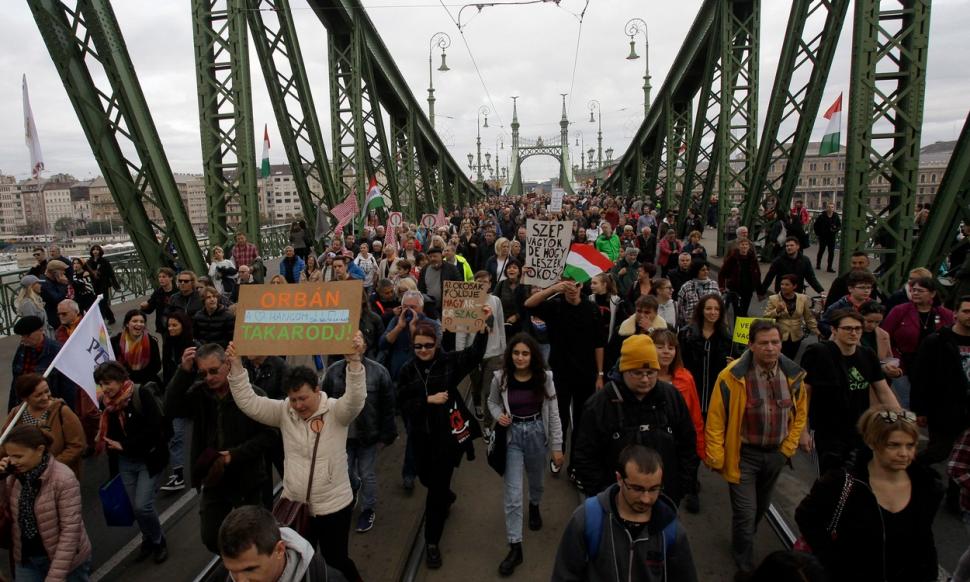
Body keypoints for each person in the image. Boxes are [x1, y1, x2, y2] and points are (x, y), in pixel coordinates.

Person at [226, 335, 366, 581]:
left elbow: (355, 400)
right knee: (299, 562)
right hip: (296, 505)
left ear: (317, 390)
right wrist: (236, 367)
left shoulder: (336, 411)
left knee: (336, 560)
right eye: (293, 399)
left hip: (333, 506)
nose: (298, 405)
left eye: (303, 398)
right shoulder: (284, 412)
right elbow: (249, 403)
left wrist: (354, 362)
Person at [705, 320, 809, 576]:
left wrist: (787, 449)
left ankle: (743, 538)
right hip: (744, 457)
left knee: (759, 509)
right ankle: (744, 560)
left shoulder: (793, 374)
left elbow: (800, 415)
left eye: (775, 342)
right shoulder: (731, 376)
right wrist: (716, 456)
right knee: (745, 512)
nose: (771, 348)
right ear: (751, 345)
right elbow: (716, 419)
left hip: (775, 456)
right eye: (763, 343)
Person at [796, 406, 941, 582]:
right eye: (893, 445)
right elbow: (807, 517)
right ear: (872, 442)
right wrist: (833, 560)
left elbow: (924, 539)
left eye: (910, 445)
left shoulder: (926, 486)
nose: (904, 453)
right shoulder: (841, 482)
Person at [397, 314, 490, 569]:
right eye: (419, 346)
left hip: (446, 437)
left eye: (428, 345)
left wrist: (482, 331)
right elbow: (401, 401)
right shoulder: (407, 370)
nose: (424, 350)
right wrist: (427, 400)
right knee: (427, 479)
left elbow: (472, 356)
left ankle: (431, 542)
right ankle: (447, 496)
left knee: (435, 491)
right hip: (420, 437)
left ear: (437, 344)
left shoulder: (448, 362)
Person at [571, 335, 698, 504]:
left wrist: (679, 489)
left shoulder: (671, 397)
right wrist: (603, 497)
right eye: (637, 373)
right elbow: (585, 456)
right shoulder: (599, 405)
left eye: (651, 373)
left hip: (664, 500)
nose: (645, 379)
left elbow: (688, 443)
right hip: (615, 504)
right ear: (624, 370)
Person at [551, 444, 698, 582]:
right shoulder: (587, 519)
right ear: (619, 479)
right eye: (637, 489)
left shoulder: (671, 530)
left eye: (654, 489)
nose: (646, 499)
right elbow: (565, 575)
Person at [487, 333, 564, 576]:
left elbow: (553, 413)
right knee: (512, 493)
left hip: (536, 433)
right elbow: (492, 402)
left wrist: (557, 446)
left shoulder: (545, 379)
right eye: (516, 353)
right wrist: (499, 414)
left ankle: (535, 505)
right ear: (510, 355)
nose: (520, 358)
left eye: (525, 353)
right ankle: (515, 546)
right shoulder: (500, 379)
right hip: (512, 436)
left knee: (536, 481)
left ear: (533, 356)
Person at [801, 309, 901, 471]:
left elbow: (883, 391)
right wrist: (802, 431)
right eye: (847, 328)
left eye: (857, 329)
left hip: (859, 430)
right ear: (834, 330)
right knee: (831, 480)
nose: (853, 333)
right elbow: (805, 393)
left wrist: (901, 420)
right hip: (826, 431)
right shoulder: (818, 353)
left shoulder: (867, 355)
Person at [93, 361, 170, 562]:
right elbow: (110, 436)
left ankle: (158, 540)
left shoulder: (140, 394)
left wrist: (125, 445)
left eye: (108, 382)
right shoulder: (106, 404)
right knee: (136, 508)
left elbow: (155, 429)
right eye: (101, 384)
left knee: (143, 505)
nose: (105, 388)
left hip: (148, 459)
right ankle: (148, 539)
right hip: (125, 462)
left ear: (120, 380)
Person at [320, 339, 397, 534]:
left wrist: (387, 433)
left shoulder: (379, 372)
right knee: (345, 471)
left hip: (368, 434)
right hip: (342, 434)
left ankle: (367, 509)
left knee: (367, 473)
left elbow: (388, 406)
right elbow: (324, 401)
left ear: (364, 346)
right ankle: (354, 487)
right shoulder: (333, 371)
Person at [524, 279, 606, 455]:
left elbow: (599, 343)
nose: (572, 289)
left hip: (586, 373)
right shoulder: (555, 305)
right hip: (561, 372)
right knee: (559, 415)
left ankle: (576, 460)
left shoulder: (591, 309)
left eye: (576, 285)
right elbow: (529, 304)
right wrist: (552, 289)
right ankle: (558, 450)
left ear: (581, 286)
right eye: (567, 285)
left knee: (581, 417)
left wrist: (600, 374)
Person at [0, 425, 92, 581]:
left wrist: (55, 576)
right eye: (10, 456)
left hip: (64, 561)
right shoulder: (14, 476)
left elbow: (70, 531)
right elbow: (3, 506)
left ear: (40, 449)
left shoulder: (63, 479)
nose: (13, 461)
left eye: (19, 456)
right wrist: (1, 479)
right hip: (27, 559)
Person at [218, 505, 349, 582]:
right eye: (232, 571)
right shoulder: (224, 575)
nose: (239, 580)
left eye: (250, 569)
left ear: (280, 550)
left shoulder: (328, 579)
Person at [652, 329, 705, 514]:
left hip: (676, 450)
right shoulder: (642, 377)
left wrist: (699, 448)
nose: (666, 351)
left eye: (671, 347)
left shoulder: (685, 378)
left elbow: (694, 416)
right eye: (660, 347)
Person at [881, 276, 954, 399]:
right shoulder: (899, 311)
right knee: (907, 401)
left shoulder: (945, 314)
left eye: (920, 291)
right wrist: (891, 359)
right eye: (913, 290)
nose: (915, 293)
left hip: (935, 365)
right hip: (904, 364)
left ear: (932, 293)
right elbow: (884, 336)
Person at [1, 374, 86, 478]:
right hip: (23, 478)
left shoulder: (62, 411)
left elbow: (77, 446)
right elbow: (4, 443)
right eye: (38, 395)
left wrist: (50, 467)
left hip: (57, 477)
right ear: (25, 398)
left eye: (47, 391)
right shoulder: (16, 414)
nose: (45, 397)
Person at [459, 270, 507, 426]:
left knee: (489, 389)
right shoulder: (467, 301)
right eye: (478, 282)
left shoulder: (496, 301)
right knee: (476, 383)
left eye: (484, 282)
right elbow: (461, 329)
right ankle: (477, 403)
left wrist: (503, 349)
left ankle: (488, 423)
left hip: (494, 353)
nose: (481, 285)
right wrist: (460, 354)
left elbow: (500, 325)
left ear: (490, 284)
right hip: (473, 352)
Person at [679, 294, 733, 413]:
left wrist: (733, 364)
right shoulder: (686, 335)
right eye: (708, 308)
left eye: (717, 309)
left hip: (716, 397)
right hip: (690, 393)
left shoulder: (727, 339)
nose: (713, 312)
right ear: (701, 310)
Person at [10, 316, 65, 412]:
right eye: (21, 336)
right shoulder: (22, 349)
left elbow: (66, 387)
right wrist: (11, 409)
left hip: (47, 407)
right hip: (23, 407)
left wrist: (63, 411)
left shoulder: (56, 351)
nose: (23, 339)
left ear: (40, 330)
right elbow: (16, 380)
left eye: (27, 335)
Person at [763, 274, 820, 359]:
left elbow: (808, 317)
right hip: (779, 336)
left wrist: (816, 331)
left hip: (796, 336)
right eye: (782, 284)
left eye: (787, 285)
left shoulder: (802, 298)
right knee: (777, 359)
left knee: (790, 360)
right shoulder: (773, 299)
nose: (783, 287)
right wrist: (777, 310)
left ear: (794, 286)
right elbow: (766, 317)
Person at [760, 236, 825, 296]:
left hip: (797, 293)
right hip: (782, 293)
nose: (789, 247)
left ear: (798, 246)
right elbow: (769, 277)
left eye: (791, 245)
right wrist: (762, 292)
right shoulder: (778, 260)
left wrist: (820, 290)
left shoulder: (805, 260)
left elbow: (811, 278)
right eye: (787, 246)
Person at [719, 238, 761, 318]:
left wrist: (759, 291)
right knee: (738, 312)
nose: (744, 246)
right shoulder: (733, 258)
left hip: (748, 289)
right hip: (736, 289)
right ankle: (736, 329)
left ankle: (742, 330)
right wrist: (722, 287)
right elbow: (722, 272)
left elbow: (757, 274)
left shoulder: (753, 258)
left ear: (749, 247)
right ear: (738, 246)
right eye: (742, 245)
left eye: (746, 245)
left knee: (744, 311)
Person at [493, 260, 529, 340]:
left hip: (521, 325)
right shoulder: (501, 284)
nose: (511, 269)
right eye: (509, 268)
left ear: (519, 271)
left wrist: (516, 316)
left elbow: (527, 304)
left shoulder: (525, 285)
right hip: (503, 324)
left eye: (514, 268)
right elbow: (494, 301)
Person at [677, 260, 721, 326]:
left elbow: (720, 304)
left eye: (707, 270)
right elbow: (680, 306)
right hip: (691, 324)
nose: (706, 272)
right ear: (696, 271)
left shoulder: (714, 285)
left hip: (710, 324)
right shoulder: (686, 286)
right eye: (703, 270)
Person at [86, 244, 120, 325]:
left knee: (103, 301)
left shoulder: (104, 261)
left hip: (103, 284)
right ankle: (110, 317)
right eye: (94, 249)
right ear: (91, 251)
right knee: (98, 301)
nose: (95, 251)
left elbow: (111, 273)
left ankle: (102, 319)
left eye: (97, 249)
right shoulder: (89, 262)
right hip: (94, 285)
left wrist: (115, 285)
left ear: (100, 251)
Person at [140, 267, 179, 334]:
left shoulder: (178, 292)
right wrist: (144, 307)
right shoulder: (158, 293)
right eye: (159, 277)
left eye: (164, 277)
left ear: (171, 278)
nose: (161, 279)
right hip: (163, 326)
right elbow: (150, 309)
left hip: (177, 324)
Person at [813, 202, 841, 272]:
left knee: (831, 252)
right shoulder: (822, 216)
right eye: (829, 207)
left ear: (834, 208)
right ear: (826, 208)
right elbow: (816, 225)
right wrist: (818, 234)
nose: (830, 208)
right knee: (821, 250)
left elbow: (839, 225)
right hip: (823, 236)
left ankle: (829, 267)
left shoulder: (836, 216)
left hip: (832, 237)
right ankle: (818, 264)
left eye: (832, 207)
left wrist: (835, 230)